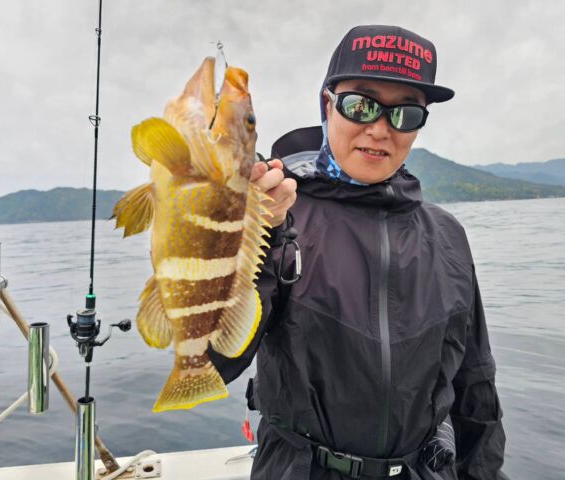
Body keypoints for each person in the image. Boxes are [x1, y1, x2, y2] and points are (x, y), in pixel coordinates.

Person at [209, 25, 509, 480]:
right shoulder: (276, 214)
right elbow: (215, 362)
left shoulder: (448, 236)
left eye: (406, 113)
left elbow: (476, 385)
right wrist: (239, 236)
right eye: (361, 105)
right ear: (328, 104)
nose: (380, 129)